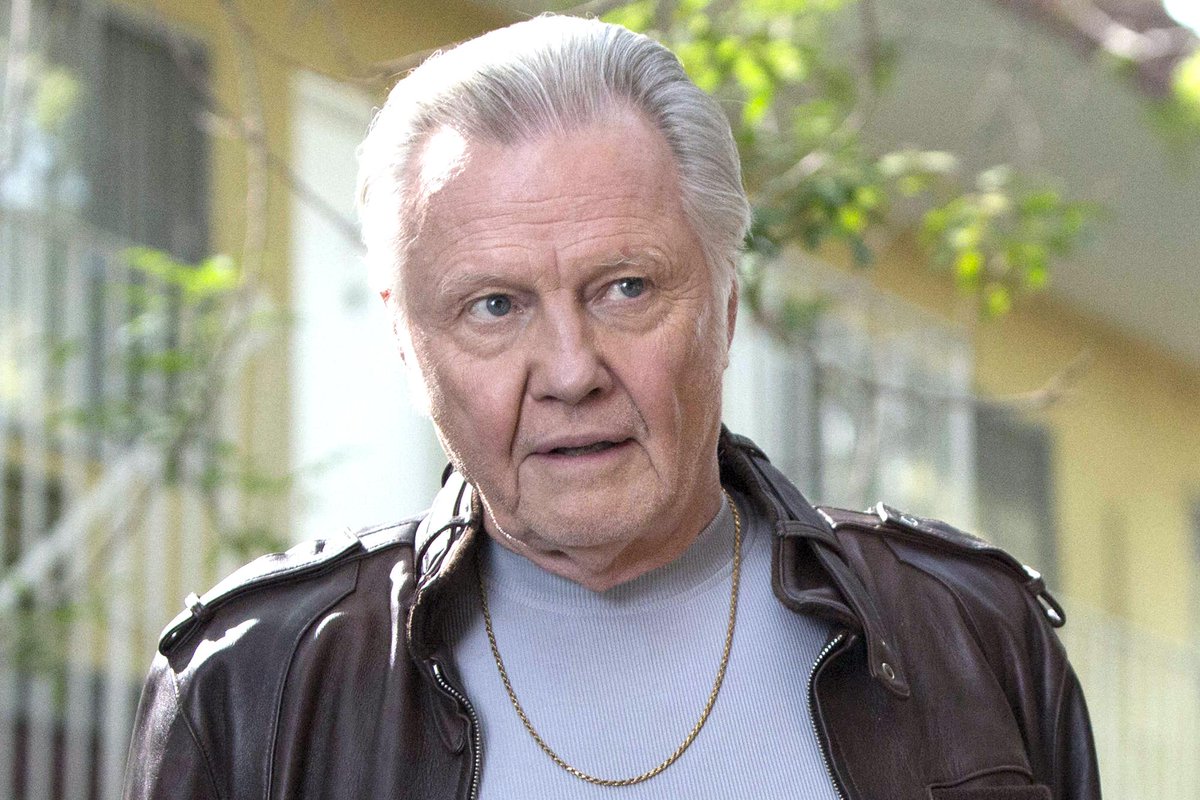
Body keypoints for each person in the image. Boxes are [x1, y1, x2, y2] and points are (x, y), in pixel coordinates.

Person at [124, 14, 1100, 800]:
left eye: (626, 287)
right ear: (405, 340)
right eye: (495, 306)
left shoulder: (971, 635)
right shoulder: (252, 684)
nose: (570, 370)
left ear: (724, 303)